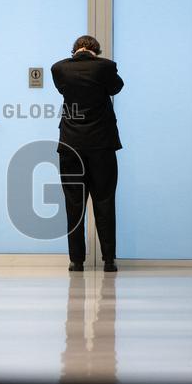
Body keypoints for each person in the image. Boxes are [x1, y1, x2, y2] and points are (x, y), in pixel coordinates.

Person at [51, 35, 124, 273]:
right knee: (104, 201)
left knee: (74, 204)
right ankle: (109, 260)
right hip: (101, 145)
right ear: (96, 51)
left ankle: (77, 261)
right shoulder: (106, 67)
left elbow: (63, 88)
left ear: (75, 50)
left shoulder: (59, 69)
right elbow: (117, 87)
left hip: (71, 145)